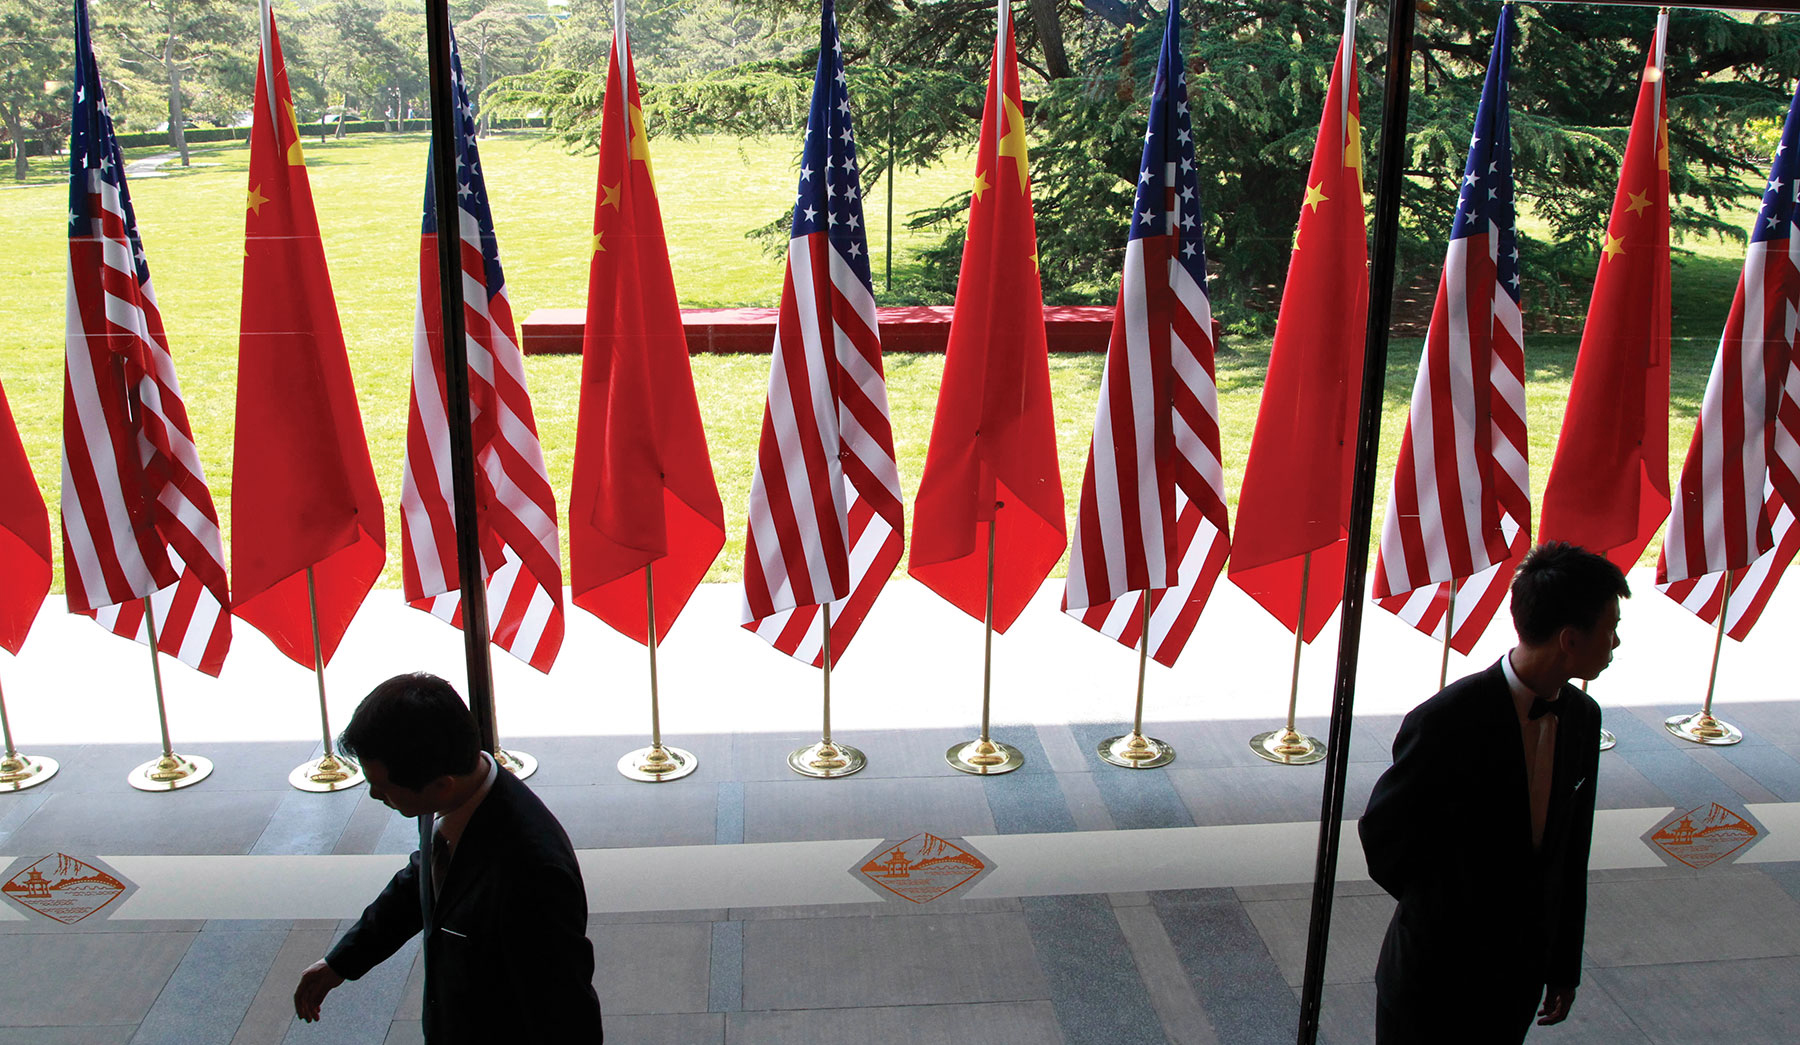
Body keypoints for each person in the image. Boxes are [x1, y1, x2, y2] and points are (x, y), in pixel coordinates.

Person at [1359, 541, 1628, 1044]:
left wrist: (1562, 965)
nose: (1616, 643)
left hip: (1516, 981)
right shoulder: (1445, 722)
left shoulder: (1583, 718)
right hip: (1432, 981)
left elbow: (1571, 853)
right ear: (1569, 639)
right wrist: (1451, 911)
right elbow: (1383, 838)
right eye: (1610, 628)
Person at [293, 673, 603, 1041]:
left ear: (441, 785)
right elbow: (424, 879)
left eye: (383, 787)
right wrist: (340, 962)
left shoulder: (533, 873)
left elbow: (562, 1011)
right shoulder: (444, 798)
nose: (374, 795)